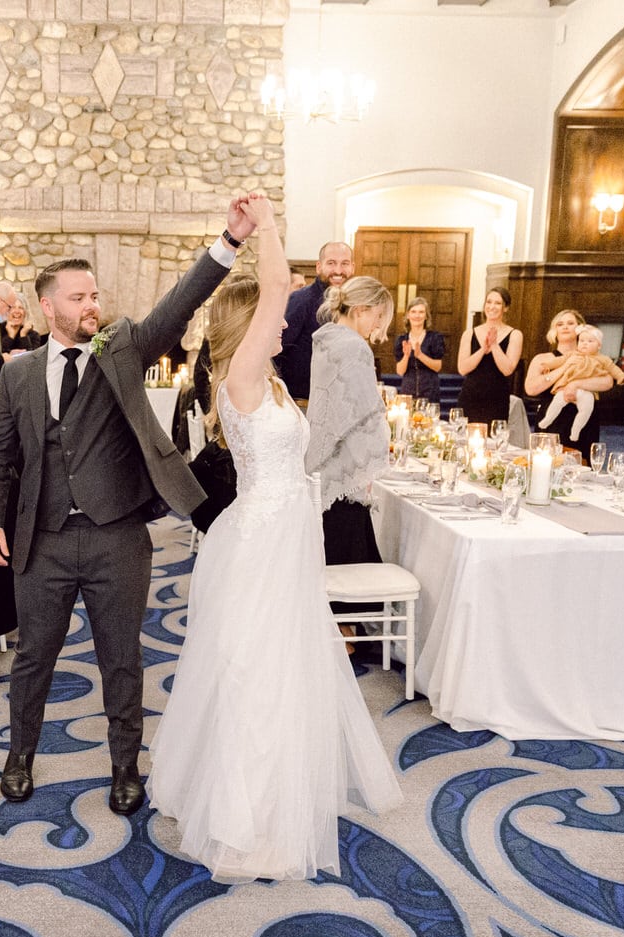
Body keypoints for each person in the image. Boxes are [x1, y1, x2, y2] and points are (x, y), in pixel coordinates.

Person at [0, 194, 257, 817]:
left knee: (123, 661)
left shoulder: (120, 347)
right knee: (33, 660)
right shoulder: (20, 375)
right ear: (48, 307)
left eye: (95, 296)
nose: (91, 306)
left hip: (117, 538)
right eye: (78, 298)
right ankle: (20, 755)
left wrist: (228, 241)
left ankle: (125, 767)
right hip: (41, 541)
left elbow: (177, 304)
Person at [147, 197, 401, 884]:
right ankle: (242, 822)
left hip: (280, 534)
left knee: (276, 671)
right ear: (250, 325)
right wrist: (265, 228)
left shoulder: (271, 381)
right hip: (261, 543)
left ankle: (264, 802)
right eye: (270, 314)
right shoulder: (243, 376)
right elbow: (278, 294)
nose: (284, 320)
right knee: (257, 676)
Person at [306, 276, 392, 574]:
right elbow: (364, 415)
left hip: (325, 461)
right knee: (349, 562)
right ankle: (344, 620)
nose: (378, 326)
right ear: (360, 309)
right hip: (343, 466)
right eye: (377, 316)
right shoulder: (354, 348)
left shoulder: (326, 340)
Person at [522, 309, 614, 454]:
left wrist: (576, 384)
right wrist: (565, 366)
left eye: (570, 323)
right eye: (560, 324)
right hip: (553, 420)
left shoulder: (594, 357)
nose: (565, 327)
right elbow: (531, 389)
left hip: (583, 420)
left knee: (581, 467)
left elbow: (608, 382)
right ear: (554, 330)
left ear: (580, 329)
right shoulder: (543, 359)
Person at [278, 240, 355, 401]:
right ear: (319, 267)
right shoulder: (301, 300)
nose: (338, 271)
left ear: (353, 267)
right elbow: (277, 350)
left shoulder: (353, 305)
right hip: (302, 402)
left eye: (345, 264)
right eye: (331, 263)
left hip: (336, 401)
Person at [535, 326, 624, 441]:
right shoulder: (573, 354)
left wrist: (622, 376)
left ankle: (576, 430)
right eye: (581, 341)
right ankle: (548, 419)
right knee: (557, 401)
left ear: (599, 346)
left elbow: (613, 369)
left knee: (586, 409)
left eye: (590, 341)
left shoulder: (603, 359)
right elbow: (559, 361)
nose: (584, 344)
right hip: (566, 387)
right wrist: (547, 365)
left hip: (586, 391)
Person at [456, 286, 522, 424]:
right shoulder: (469, 333)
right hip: (470, 395)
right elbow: (462, 369)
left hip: (496, 397)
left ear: (506, 308)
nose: (492, 307)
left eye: (497, 303)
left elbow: (507, 369)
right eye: (489, 302)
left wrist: (494, 345)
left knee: (493, 441)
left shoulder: (515, 334)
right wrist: (482, 349)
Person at [393, 295, 444, 404]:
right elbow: (400, 371)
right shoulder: (402, 339)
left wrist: (420, 355)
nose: (417, 315)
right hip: (408, 390)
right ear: (408, 315)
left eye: (421, 312)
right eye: (413, 311)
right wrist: (406, 356)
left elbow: (438, 367)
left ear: (426, 316)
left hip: (430, 390)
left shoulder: (434, 337)